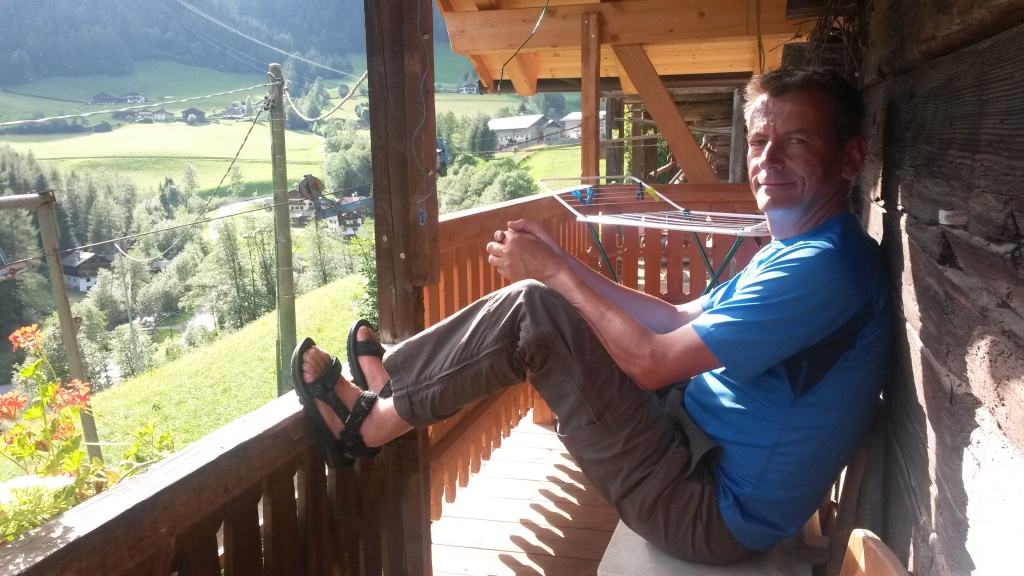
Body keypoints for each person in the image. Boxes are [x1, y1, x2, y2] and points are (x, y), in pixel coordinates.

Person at [290, 66, 892, 565]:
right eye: (759, 142)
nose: (768, 159)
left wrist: (553, 276)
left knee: (535, 311)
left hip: (705, 506)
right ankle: (393, 388)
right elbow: (673, 317)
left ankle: (370, 426)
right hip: (692, 448)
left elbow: (653, 361)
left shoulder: (826, 268)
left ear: (850, 158)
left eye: (797, 141)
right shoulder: (797, 251)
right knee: (547, 303)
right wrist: (559, 262)